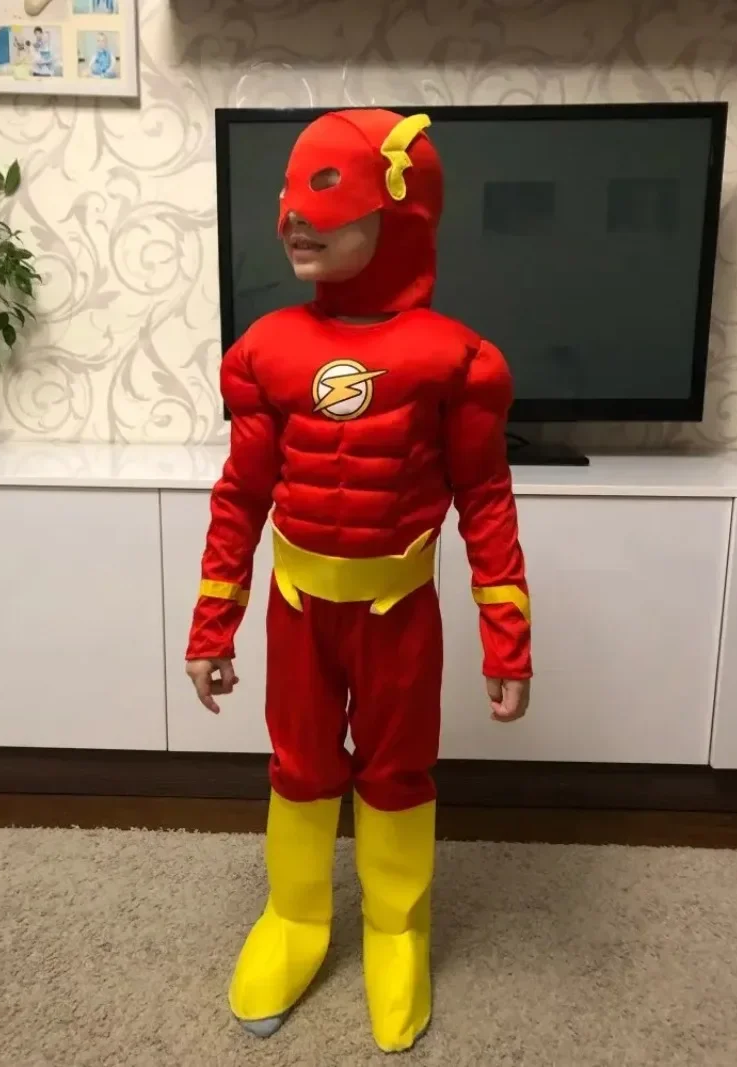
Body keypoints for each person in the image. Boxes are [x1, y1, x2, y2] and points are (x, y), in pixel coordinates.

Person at [185, 108, 532, 1053]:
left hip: (398, 612)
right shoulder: (265, 351)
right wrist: (213, 623)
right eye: (288, 193)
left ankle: (396, 928)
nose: (293, 216)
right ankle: (296, 918)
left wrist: (508, 641)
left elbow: (485, 499)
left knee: (397, 774)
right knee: (299, 769)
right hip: (299, 609)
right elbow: (241, 495)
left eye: (325, 191)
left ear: (399, 207)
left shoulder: (458, 360)